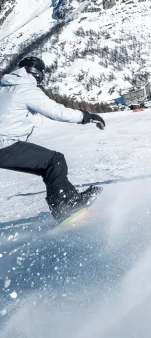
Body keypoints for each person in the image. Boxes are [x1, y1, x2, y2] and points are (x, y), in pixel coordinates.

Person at [0, 56, 105, 221]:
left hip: (4, 144)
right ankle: (65, 209)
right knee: (55, 161)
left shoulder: (5, 87)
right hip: (4, 145)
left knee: (48, 168)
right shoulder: (25, 89)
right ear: (38, 73)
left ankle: (70, 202)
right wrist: (86, 116)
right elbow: (56, 111)